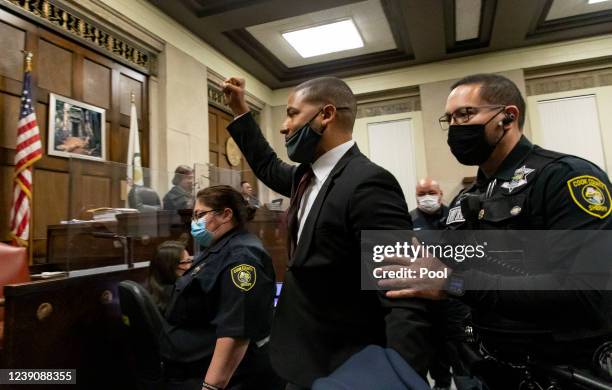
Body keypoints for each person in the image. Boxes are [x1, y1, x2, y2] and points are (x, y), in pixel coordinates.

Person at [379, 73, 612, 389]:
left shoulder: (564, 179)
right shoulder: (465, 200)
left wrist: (454, 282)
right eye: (449, 119)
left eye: (466, 114)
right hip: (490, 368)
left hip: (563, 371)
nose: (455, 128)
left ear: (508, 117)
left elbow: (587, 292)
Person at [223, 76, 431, 389]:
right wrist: (240, 110)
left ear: (326, 115)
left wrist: (395, 376)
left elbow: (403, 290)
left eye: (292, 113)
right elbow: (266, 165)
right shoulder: (304, 178)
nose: (284, 126)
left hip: (345, 367)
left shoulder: (368, 183)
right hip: (304, 359)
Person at [162, 185, 282, 390]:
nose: (194, 223)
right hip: (190, 366)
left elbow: (236, 332)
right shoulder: (220, 247)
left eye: (200, 215)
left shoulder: (242, 257)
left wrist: (211, 386)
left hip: (232, 378)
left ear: (226, 214)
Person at [147, 240, 192, 314]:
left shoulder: (153, 290)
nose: (189, 266)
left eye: (190, 260)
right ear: (167, 267)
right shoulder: (178, 299)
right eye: (184, 262)